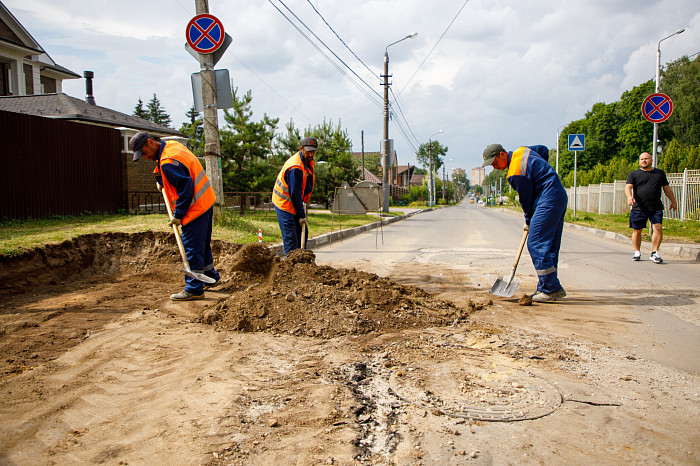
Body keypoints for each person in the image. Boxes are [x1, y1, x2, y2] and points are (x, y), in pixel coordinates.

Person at [129, 132, 220, 301]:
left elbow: (185, 190)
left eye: (145, 153)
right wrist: (163, 180)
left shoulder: (167, 162)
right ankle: (210, 276)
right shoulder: (171, 146)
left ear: (150, 142)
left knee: (191, 248)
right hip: (206, 200)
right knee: (202, 244)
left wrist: (178, 215)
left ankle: (194, 288)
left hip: (194, 208)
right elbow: (181, 169)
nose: (145, 158)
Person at [482, 144, 568, 302]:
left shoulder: (515, 172)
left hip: (547, 197)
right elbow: (543, 150)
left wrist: (528, 220)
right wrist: (542, 171)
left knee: (536, 243)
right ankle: (547, 286)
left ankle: (550, 288)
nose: (494, 168)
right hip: (558, 194)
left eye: (495, 163)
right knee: (549, 245)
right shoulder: (522, 151)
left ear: (502, 154)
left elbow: (526, 200)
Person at [625, 152, 677, 263]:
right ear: (639, 161)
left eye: (646, 158)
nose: (644, 160)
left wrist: (673, 201)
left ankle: (655, 252)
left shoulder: (659, 173)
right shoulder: (634, 174)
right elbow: (628, 187)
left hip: (655, 207)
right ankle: (637, 252)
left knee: (658, 228)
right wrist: (629, 197)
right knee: (637, 230)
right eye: (641, 159)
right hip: (639, 207)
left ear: (651, 160)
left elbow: (667, 189)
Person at [272, 137, 317, 255]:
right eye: (308, 151)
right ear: (301, 149)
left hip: (295, 202)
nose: (311, 154)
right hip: (284, 203)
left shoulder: (307, 162)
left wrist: (304, 205)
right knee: (291, 238)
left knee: (302, 233)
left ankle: (301, 265)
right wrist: (301, 214)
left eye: (313, 151)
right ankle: (291, 269)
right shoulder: (295, 167)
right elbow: (295, 194)